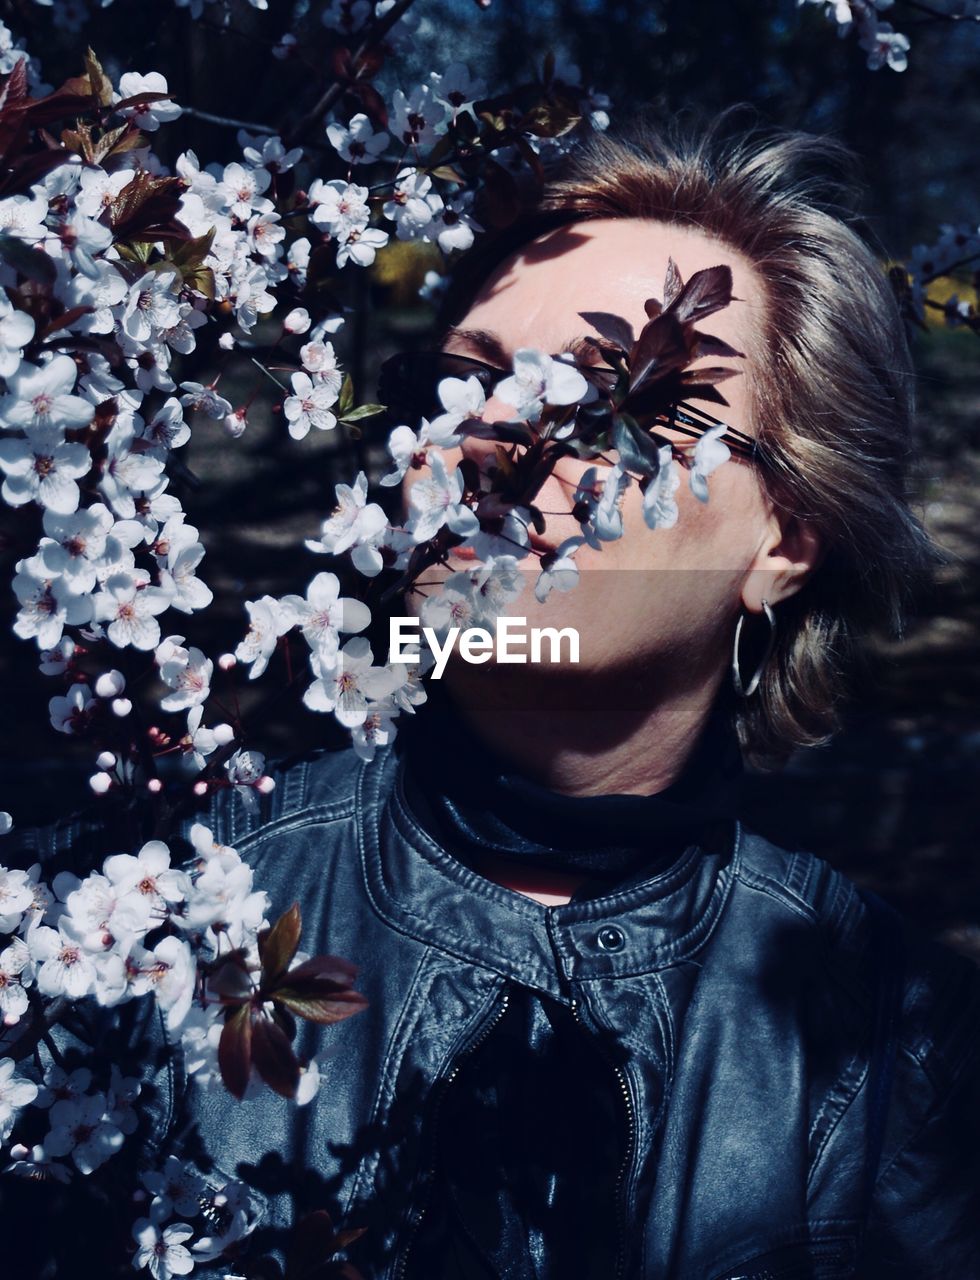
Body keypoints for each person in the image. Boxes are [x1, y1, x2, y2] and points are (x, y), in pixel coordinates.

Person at [10, 113, 980, 1279]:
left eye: (632, 406)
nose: (497, 434)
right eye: (464, 378)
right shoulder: (112, 914)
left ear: (789, 536)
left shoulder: (897, 1051)